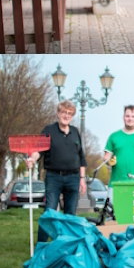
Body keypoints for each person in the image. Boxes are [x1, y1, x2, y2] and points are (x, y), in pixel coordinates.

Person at [26, 100, 87, 243]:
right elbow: (38, 150)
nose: (66, 115)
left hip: (73, 178)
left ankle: (67, 244)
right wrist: (32, 159)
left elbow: (81, 156)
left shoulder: (75, 132)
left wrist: (82, 178)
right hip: (54, 177)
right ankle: (42, 245)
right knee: (50, 213)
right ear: (58, 113)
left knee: (70, 215)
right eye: (64, 112)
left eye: (70, 113)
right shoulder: (48, 130)